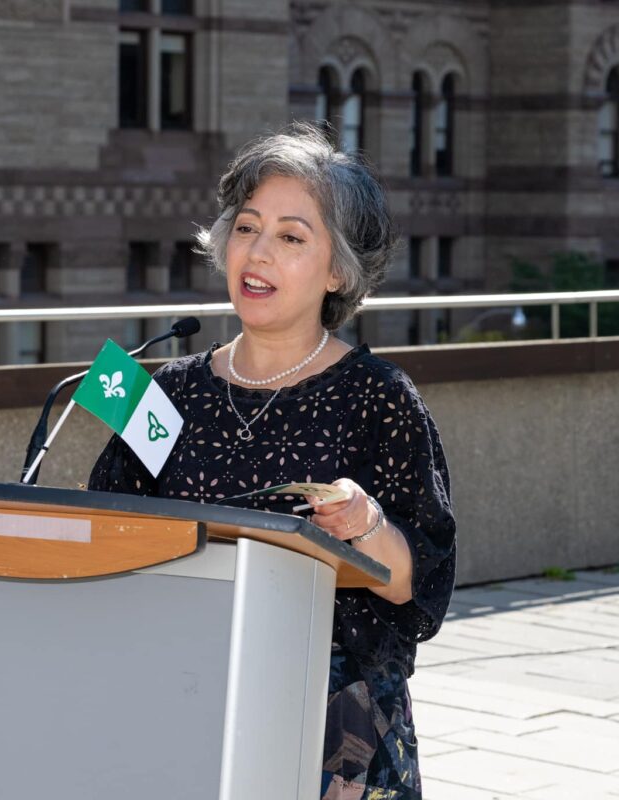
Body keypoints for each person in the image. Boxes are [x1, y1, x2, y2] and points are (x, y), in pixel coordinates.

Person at [88, 123, 456, 799]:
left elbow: (415, 586)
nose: (257, 253)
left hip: (332, 719)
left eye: (291, 237)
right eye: (248, 227)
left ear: (338, 269)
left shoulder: (380, 398)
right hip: (180, 691)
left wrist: (366, 524)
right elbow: (106, 530)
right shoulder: (165, 390)